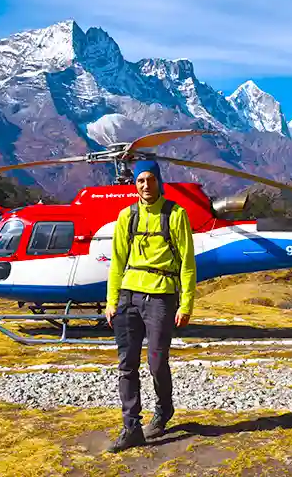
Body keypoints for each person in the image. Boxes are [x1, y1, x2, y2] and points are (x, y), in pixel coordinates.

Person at [104, 160, 197, 453]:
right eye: (141, 180)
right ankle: (131, 427)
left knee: (157, 362)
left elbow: (187, 264)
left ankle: (163, 410)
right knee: (126, 365)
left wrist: (186, 303)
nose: (146, 185)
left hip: (161, 298)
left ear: (159, 181)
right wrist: (111, 301)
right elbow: (117, 261)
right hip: (128, 297)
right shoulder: (126, 217)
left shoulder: (176, 215)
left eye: (151, 179)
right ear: (135, 184)